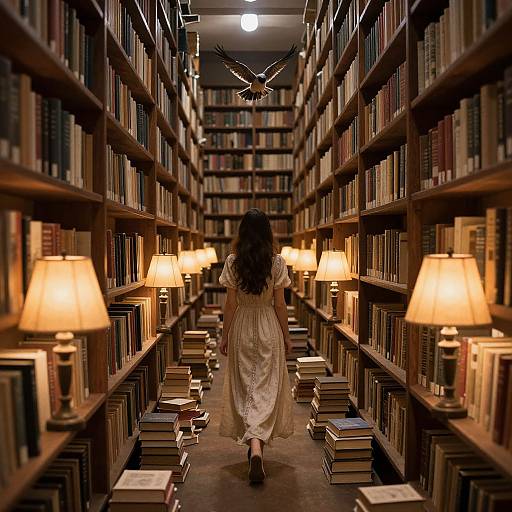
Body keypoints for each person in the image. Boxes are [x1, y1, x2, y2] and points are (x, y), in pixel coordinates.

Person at [218, 208, 294, 483]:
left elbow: (230, 304)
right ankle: (258, 444)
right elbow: (280, 304)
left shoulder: (233, 261)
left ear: (242, 232)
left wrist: (225, 335)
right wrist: (286, 336)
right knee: (265, 386)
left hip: (241, 325)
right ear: (267, 232)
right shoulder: (276, 262)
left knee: (244, 388)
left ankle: (254, 445)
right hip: (267, 325)